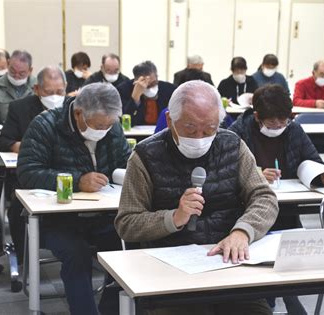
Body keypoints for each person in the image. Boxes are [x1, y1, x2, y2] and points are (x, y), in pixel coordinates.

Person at [115, 80, 278, 315]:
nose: (200, 137)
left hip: (228, 265)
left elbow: (264, 197)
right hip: (169, 273)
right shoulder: (145, 156)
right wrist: (174, 218)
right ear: (170, 120)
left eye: (210, 129)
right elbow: (127, 223)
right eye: (190, 129)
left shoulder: (232, 145)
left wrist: (242, 231)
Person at [17, 83, 131, 315]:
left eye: (110, 125)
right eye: (100, 125)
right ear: (79, 113)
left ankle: (111, 309)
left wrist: (128, 174)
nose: (105, 130)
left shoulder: (112, 127)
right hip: (58, 220)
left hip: (104, 214)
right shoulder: (45, 125)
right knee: (77, 255)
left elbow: (125, 161)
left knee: (127, 248)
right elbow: (27, 172)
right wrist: (77, 181)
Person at [229, 84, 324, 230]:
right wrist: (256, 174)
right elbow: (226, 170)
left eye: (283, 122)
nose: (278, 127)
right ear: (257, 116)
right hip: (248, 210)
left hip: (287, 209)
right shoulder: (238, 132)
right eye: (271, 123)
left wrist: (321, 175)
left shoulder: (293, 130)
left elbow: (313, 160)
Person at [0, 66, 67, 263]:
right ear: (36, 89)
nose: (54, 97)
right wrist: (32, 147)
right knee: (19, 208)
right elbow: (4, 141)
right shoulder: (20, 107)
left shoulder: (72, 107)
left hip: (65, 171)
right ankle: (25, 258)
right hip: (31, 171)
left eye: (59, 92)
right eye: (48, 92)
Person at [117, 60, 176, 126]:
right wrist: (135, 98)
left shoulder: (169, 89)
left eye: (153, 83)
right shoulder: (124, 89)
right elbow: (124, 120)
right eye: (147, 85)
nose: (151, 87)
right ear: (136, 81)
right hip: (136, 133)